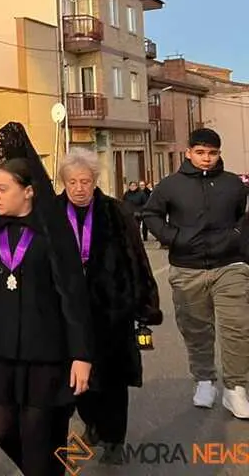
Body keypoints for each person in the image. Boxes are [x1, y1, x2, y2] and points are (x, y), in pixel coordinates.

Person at [0, 123, 93, 476]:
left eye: (2, 189)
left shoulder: (53, 234)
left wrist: (82, 355)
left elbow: (73, 298)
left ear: (28, 191)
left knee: (37, 438)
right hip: (0, 351)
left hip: (45, 354)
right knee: (3, 429)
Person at [57, 148, 162, 464]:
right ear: (64, 182)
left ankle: (115, 438)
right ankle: (93, 424)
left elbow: (136, 259)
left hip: (112, 310)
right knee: (79, 381)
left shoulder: (116, 212)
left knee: (113, 380)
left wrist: (144, 306)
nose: (79, 188)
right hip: (70, 312)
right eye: (73, 181)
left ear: (95, 181)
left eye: (85, 181)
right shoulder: (50, 214)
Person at [140, 127, 249, 418]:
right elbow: (150, 214)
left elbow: (243, 215)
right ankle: (204, 380)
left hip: (230, 266)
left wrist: (237, 236)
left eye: (212, 153)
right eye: (200, 152)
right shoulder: (169, 185)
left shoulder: (234, 185)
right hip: (187, 268)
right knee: (196, 329)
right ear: (189, 153)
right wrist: (172, 237)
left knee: (238, 327)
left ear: (219, 154)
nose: (206, 158)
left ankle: (236, 390)